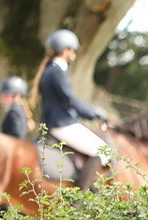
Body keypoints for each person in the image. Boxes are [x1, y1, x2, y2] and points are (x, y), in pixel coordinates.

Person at [30, 29, 111, 190]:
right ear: (65, 50)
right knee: (103, 151)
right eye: (72, 50)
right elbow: (69, 101)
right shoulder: (57, 71)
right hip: (61, 124)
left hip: (58, 122)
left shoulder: (50, 70)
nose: (74, 53)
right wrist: (94, 112)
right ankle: (81, 195)